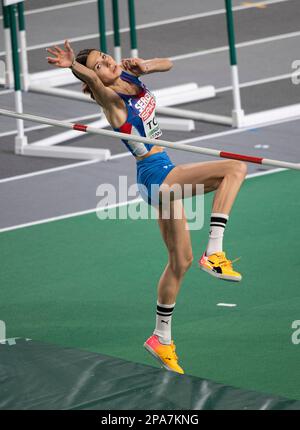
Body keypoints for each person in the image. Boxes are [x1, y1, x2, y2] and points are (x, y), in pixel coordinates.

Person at [47, 40, 247, 375]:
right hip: (156, 175)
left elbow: (169, 62)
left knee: (179, 262)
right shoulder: (111, 101)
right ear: (92, 78)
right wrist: (72, 65)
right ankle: (214, 252)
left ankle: (160, 338)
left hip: (163, 171)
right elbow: (95, 83)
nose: (107, 63)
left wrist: (146, 65)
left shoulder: (128, 75)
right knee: (234, 168)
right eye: (98, 65)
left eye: (104, 57)